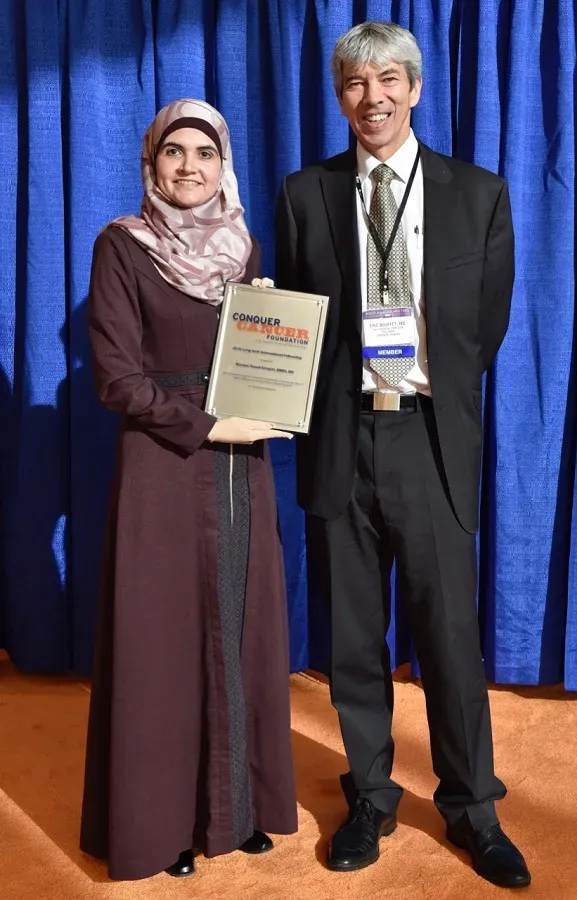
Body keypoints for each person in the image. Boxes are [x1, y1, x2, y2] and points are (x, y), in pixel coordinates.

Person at [275, 22, 530, 889]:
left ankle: (472, 810)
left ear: (415, 89)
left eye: (389, 80)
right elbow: (298, 323)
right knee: (352, 639)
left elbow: (480, 331)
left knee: (449, 639)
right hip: (341, 438)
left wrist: (419, 372)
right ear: (339, 95)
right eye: (354, 83)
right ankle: (372, 797)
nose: (372, 97)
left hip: (426, 438)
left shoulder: (476, 193)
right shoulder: (304, 192)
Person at [80, 98, 297, 881]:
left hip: (244, 472)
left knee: (242, 629)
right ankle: (165, 826)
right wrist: (211, 427)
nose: (189, 167)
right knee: (164, 645)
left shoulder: (245, 251)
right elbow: (116, 381)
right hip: (164, 467)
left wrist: (266, 331)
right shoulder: (122, 246)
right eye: (174, 152)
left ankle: (237, 815)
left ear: (222, 164)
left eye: (204, 153)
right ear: (152, 162)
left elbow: (261, 361)